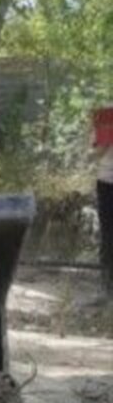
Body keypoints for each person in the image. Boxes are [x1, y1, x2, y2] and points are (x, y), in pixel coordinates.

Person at [94, 106, 113, 294]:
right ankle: (107, 284)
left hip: (107, 182)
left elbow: (96, 152)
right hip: (107, 182)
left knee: (109, 233)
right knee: (108, 233)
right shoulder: (106, 116)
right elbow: (97, 150)